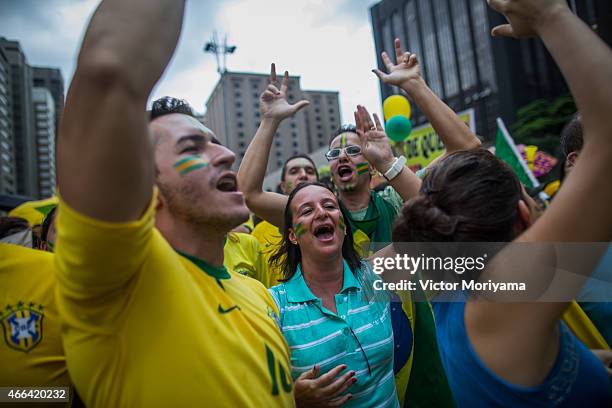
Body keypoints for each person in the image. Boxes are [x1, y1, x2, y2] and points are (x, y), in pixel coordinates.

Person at [53, 1, 293, 406]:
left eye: (216, 143)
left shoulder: (260, 295)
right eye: (191, 148)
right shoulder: (121, 280)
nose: (227, 155)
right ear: (144, 187)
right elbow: (110, 73)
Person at [392, 0, 612, 404]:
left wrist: (594, 363)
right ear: (523, 214)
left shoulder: (448, 284)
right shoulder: (504, 300)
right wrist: (550, 14)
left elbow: (467, 149)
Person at [269, 181, 399, 407]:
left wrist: (388, 164)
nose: (321, 213)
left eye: (329, 206)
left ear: (344, 226)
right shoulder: (275, 307)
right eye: (307, 211)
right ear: (292, 236)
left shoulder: (371, 277)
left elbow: (428, 231)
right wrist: (292, 399)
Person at [252, 153, 319, 287]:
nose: (303, 175)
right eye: (294, 172)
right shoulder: (259, 233)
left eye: (310, 171)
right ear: (282, 186)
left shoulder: (332, 222)